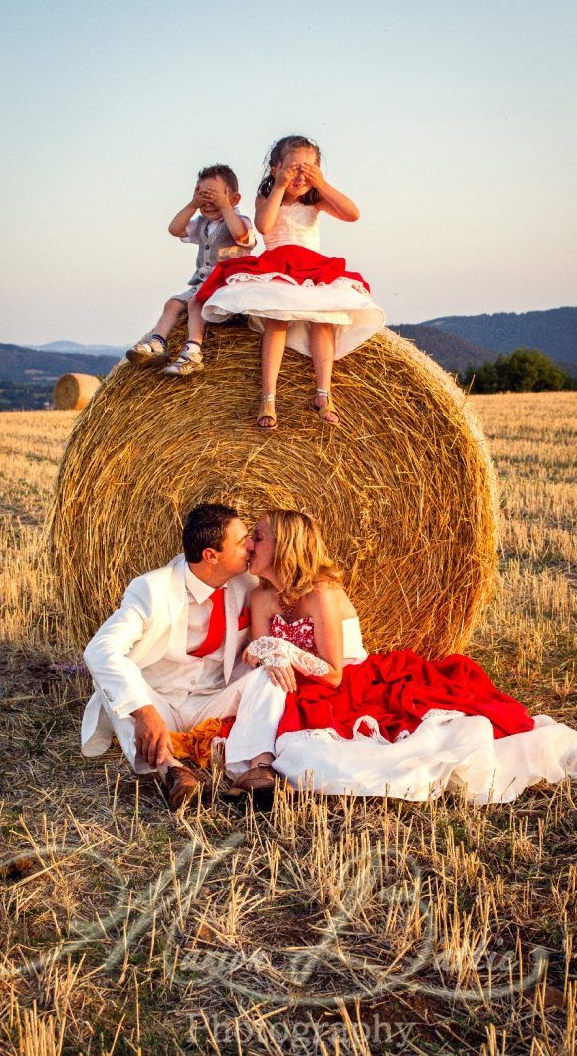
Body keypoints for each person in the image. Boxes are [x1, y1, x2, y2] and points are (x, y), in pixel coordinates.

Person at [227, 510, 577, 802]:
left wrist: (279, 649)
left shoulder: (322, 593)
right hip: (302, 685)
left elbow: (332, 675)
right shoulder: (262, 596)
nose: (249, 545)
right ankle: (257, 769)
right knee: (292, 741)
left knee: (328, 758)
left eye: (257, 537)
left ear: (286, 545)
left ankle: (259, 768)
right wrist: (266, 651)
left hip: (351, 681)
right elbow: (262, 654)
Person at [81, 503, 290, 809]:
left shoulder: (247, 585)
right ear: (211, 555)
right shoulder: (152, 589)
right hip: (160, 702)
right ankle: (173, 771)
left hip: (213, 701)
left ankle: (256, 767)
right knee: (114, 683)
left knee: (270, 675)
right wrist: (143, 711)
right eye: (241, 539)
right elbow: (99, 649)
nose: (250, 545)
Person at [194, 136, 386, 430]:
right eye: (294, 168)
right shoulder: (268, 197)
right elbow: (265, 226)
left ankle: (324, 393)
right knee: (276, 320)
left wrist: (321, 183)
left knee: (324, 320)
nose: (300, 176)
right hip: (278, 266)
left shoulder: (317, 198)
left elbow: (353, 214)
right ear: (275, 168)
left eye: (308, 169)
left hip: (313, 268)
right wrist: (281, 186)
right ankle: (268, 397)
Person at [126, 165, 256, 377]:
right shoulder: (202, 223)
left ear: (234, 199)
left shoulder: (240, 221)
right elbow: (174, 229)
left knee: (197, 303)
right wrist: (192, 205)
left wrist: (226, 208)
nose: (209, 204)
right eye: (203, 197)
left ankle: (193, 351)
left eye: (215, 197)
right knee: (172, 303)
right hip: (202, 284)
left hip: (230, 284)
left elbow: (241, 236)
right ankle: (157, 343)